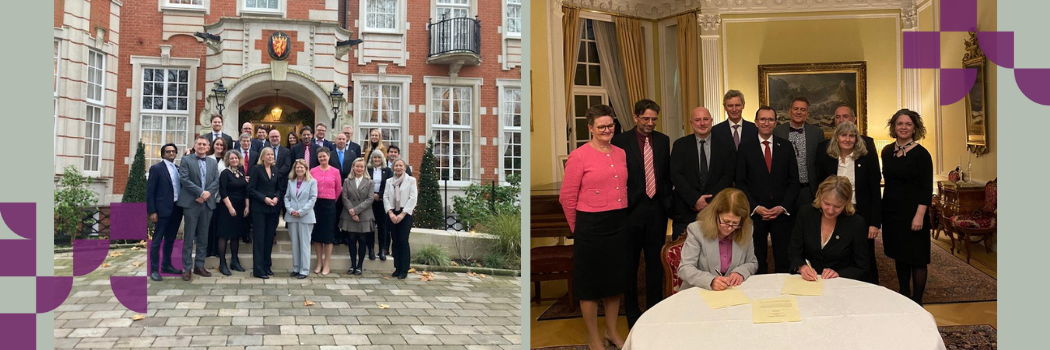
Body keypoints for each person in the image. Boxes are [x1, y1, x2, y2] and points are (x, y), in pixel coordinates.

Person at [559, 105, 629, 350]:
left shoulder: (620, 153)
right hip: (589, 226)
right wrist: (579, 229)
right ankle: (594, 337)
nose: (607, 130)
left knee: (614, 281)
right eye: (601, 127)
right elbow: (567, 197)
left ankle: (611, 331)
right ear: (590, 128)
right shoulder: (579, 156)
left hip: (618, 223)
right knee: (589, 285)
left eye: (610, 126)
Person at [611, 99, 671, 329]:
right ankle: (633, 314)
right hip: (631, 211)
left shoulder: (663, 141)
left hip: (657, 210)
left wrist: (667, 201)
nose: (650, 123)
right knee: (630, 264)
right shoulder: (620, 141)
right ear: (636, 117)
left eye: (654, 119)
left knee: (656, 263)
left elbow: (665, 174)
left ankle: (654, 311)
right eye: (645, 118)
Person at [813, 121, 882, 284]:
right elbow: (820, 184)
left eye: (852, 136)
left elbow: (875, 190)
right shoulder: (827, 155)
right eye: (844, 135)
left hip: (860, 212)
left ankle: (869, 286)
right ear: (836, 137)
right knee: (836, 251)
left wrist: (874, 223)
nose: (848, 139)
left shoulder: (866, 157)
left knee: (864, 254)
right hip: (834, 211)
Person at [736, 106, 800, 274]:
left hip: (781, 213)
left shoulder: (786, 147)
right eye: (762, 119)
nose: (766, 123)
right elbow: (741, 182)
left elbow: (794, 182)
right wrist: (755, 207)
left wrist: (783, 207)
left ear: (775, 123)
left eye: (770, 119)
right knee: (757, 259)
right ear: (756, 122)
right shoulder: (745, 147)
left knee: (783, 259)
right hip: (756, 214)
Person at [881, 109, 933, 304]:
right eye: (900, 124)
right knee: (899, 256)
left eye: (908, 124)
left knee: (917, 258)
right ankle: (904, 296)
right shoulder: (886, 151)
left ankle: (918, 301)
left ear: (914, 128)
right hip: (892, 213)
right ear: (894, 127)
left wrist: (919, 216)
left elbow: (926, 188)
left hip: (914, 214)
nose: (903, 127)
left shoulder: (922, 155)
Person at [670, 107, 736, 240]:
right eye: (698, 120)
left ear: (711, 120)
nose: (702, 123)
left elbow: (728, 175)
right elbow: (676, 175)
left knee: (714, 255)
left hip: (717, 211)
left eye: (705, 119)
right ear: (691, 122)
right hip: (685, 210)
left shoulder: (726, 145)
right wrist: (695, 199)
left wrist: (709, 201)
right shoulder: (680, 145)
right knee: (682, 255)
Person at [789, 176, 873, 281]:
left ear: (846, 202)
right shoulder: (805, 214)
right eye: (826, 203)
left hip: (840, 285)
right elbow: (794, 252)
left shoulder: (856, 223)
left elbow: (862, 267)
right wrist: (801, 267)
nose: (830, 210)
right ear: (820, 196)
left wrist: (838, 274)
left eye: (837, 206)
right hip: (808, 282)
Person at [678, 188, 758, 290]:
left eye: (735, 223)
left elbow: (752, 263)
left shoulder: (746, 229)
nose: (729, 227)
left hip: (733, 292)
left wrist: (740, 272)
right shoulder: (696, 230)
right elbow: (685, 268)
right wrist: (710, 281)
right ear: (715, 214)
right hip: (699, 291)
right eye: (725, 221)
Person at [177, 136, 220, 281]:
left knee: (203, 236)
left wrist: (206, 194)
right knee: (189, 237)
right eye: (199, 144)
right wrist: (200, 193)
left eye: (204, 144)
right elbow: (184, 179)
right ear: (194, 146)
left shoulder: (213, 162)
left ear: (208, 147)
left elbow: (216, 180)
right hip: (191, 203)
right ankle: (187, 268)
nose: (201, 146)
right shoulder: (186, 160)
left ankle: (199, 266)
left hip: (207, 204)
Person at [773, 97, 825, 208]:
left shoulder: (817, 133)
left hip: (808, 191)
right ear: (790, 111)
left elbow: (821, 164)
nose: (799, 112)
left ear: (807, 113)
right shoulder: (778, 131)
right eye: (796, 108)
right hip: (784, 190)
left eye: (803, 109)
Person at [147, 143, 184, 281]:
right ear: (163, 154)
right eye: (168, 151)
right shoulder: (156, 169)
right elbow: (150, 192)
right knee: (157, 240)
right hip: (162, 210)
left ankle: (166, 265)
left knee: (170, 239)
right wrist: (152, 211)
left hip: (176, 209)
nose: (171, 153)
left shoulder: (178, 168)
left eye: (173, 151)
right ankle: (154, 270)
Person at [247, 147, 286, 279]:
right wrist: (264, 198)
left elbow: (280, 189)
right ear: (262, 157)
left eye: (272, 154)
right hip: (259, 209)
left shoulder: (275, 170)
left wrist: (276, 197)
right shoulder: (256, 169)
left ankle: (266, 266)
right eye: (267, 155)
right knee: (259, 239)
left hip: (272, 210)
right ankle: (258, 269)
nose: (270, 156)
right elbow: (251, 189)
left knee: (269, 238)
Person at [340, 158, 375, 275]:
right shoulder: (347, 181)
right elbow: (344, 197)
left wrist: (355, 211)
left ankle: (360, 266)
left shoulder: (370, 182)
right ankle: (353, 265)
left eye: (361, 167)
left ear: (364, 168)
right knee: (351, 240)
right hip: (349, 215)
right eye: (357, 166)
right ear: (353, 167)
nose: (359, 169)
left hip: (364, 215)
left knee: (362, 240)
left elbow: (370, 199)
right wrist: (351, 212)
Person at [217, 151, 249, 275]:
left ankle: (234, 261)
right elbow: (222, 191)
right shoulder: (225, 173)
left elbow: (246, 191)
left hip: (240, 208)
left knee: (236, 235)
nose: (234, 160)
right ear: (228, 160)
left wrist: (247, 206)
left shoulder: (241, 173)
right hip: (227, 208)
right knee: (224, 235)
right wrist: (230, 208)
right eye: (231, 158)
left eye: (236, 158)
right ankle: (222, 263)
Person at [384, 158, 418, 280]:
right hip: (392, 213)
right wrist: (391, 213)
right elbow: (386, 197)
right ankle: (397, 267)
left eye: (400, 165)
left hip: (405, 213)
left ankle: (404, 269)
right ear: (393, 167)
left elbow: (413, 198)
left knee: (403, 241)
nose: (398, 167)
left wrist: (402, 214)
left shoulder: (411, 180)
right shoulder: (389, 181)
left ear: (404, 167)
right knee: (395, 241)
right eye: (396, 165)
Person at [311, 148, 342, 275]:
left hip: (329, 205)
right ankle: (319, 263)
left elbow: (338, 189)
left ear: (328, 156)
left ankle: (327, 264)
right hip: (316, 204)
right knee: (317, 236)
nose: (322, 159)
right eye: (320, 157)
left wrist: (331, 199)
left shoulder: (335, 171)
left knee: (328, 236)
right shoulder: (313, 171)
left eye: (324, 156)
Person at [285, 159, 318, 279]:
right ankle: (296, 267)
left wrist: (301, 212)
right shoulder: (291, 181)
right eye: (297, 167)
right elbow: (287, 197)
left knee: (304, 244)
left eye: (301, 167)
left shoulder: (312, 182)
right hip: (292, 216)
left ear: (306, 169)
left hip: (306, 217)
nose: (299, 169)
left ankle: (304, 270)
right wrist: (290, 210)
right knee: (295, 243)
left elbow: (313, 199)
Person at [368, 150, 393, 261]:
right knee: (370, 226)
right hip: (369, 201)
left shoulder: (387, 170)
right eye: (375, 158)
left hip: (382, 201)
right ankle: (371, 249)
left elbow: (389, 184)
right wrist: (372, 195)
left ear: (382, 159)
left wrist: (379, 195)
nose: (377, 160)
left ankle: (382, 250)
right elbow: (365, 183)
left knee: (382, 226)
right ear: (372, 159)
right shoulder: (367, 170)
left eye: (379, 158)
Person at [206, 137, 229, 258]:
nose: (219, 147)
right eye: (217, 144)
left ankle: (216, 249)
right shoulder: (207, 158)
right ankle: (207, 249)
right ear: (213, 145)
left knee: (218, 224)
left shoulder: (226, 160)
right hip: (208, 195)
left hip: (221, 196)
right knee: (208, 224)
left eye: (222, 145)